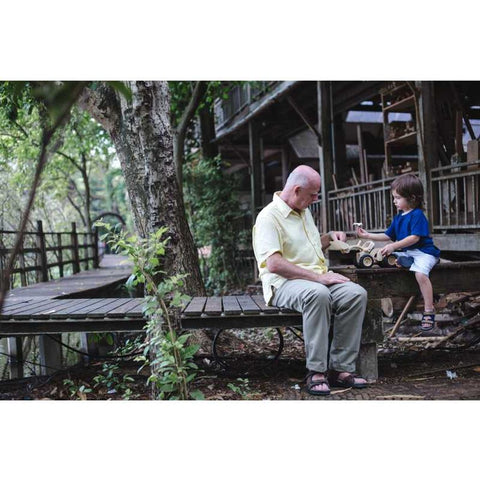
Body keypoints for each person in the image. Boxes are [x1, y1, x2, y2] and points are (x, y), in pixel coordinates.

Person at [252, 165, 368, 396]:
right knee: (318, 294)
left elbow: (307, 248)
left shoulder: (303, 211)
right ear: (296, 190)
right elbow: (274, 264)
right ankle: (316, 371)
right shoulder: (268, 217)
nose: (315, 199)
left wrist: (329, 237)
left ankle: (340, 369)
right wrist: (318, 278)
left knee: (356, 294)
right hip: (283, 283)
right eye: (313, 194)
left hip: (315, 280)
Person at [356, 173, 440, 331]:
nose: (394, 201)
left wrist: (394, 246)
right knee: (386, 258)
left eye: (398, 197)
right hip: (408, 253)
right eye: (394, 197)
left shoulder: (417, 215)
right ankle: (405, 262)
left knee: (420, 274)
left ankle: (429, 310)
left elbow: (414, 238)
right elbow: (388, 235)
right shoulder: (399, 217)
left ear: (412, 198)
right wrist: (367, 235)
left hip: (423, 252)